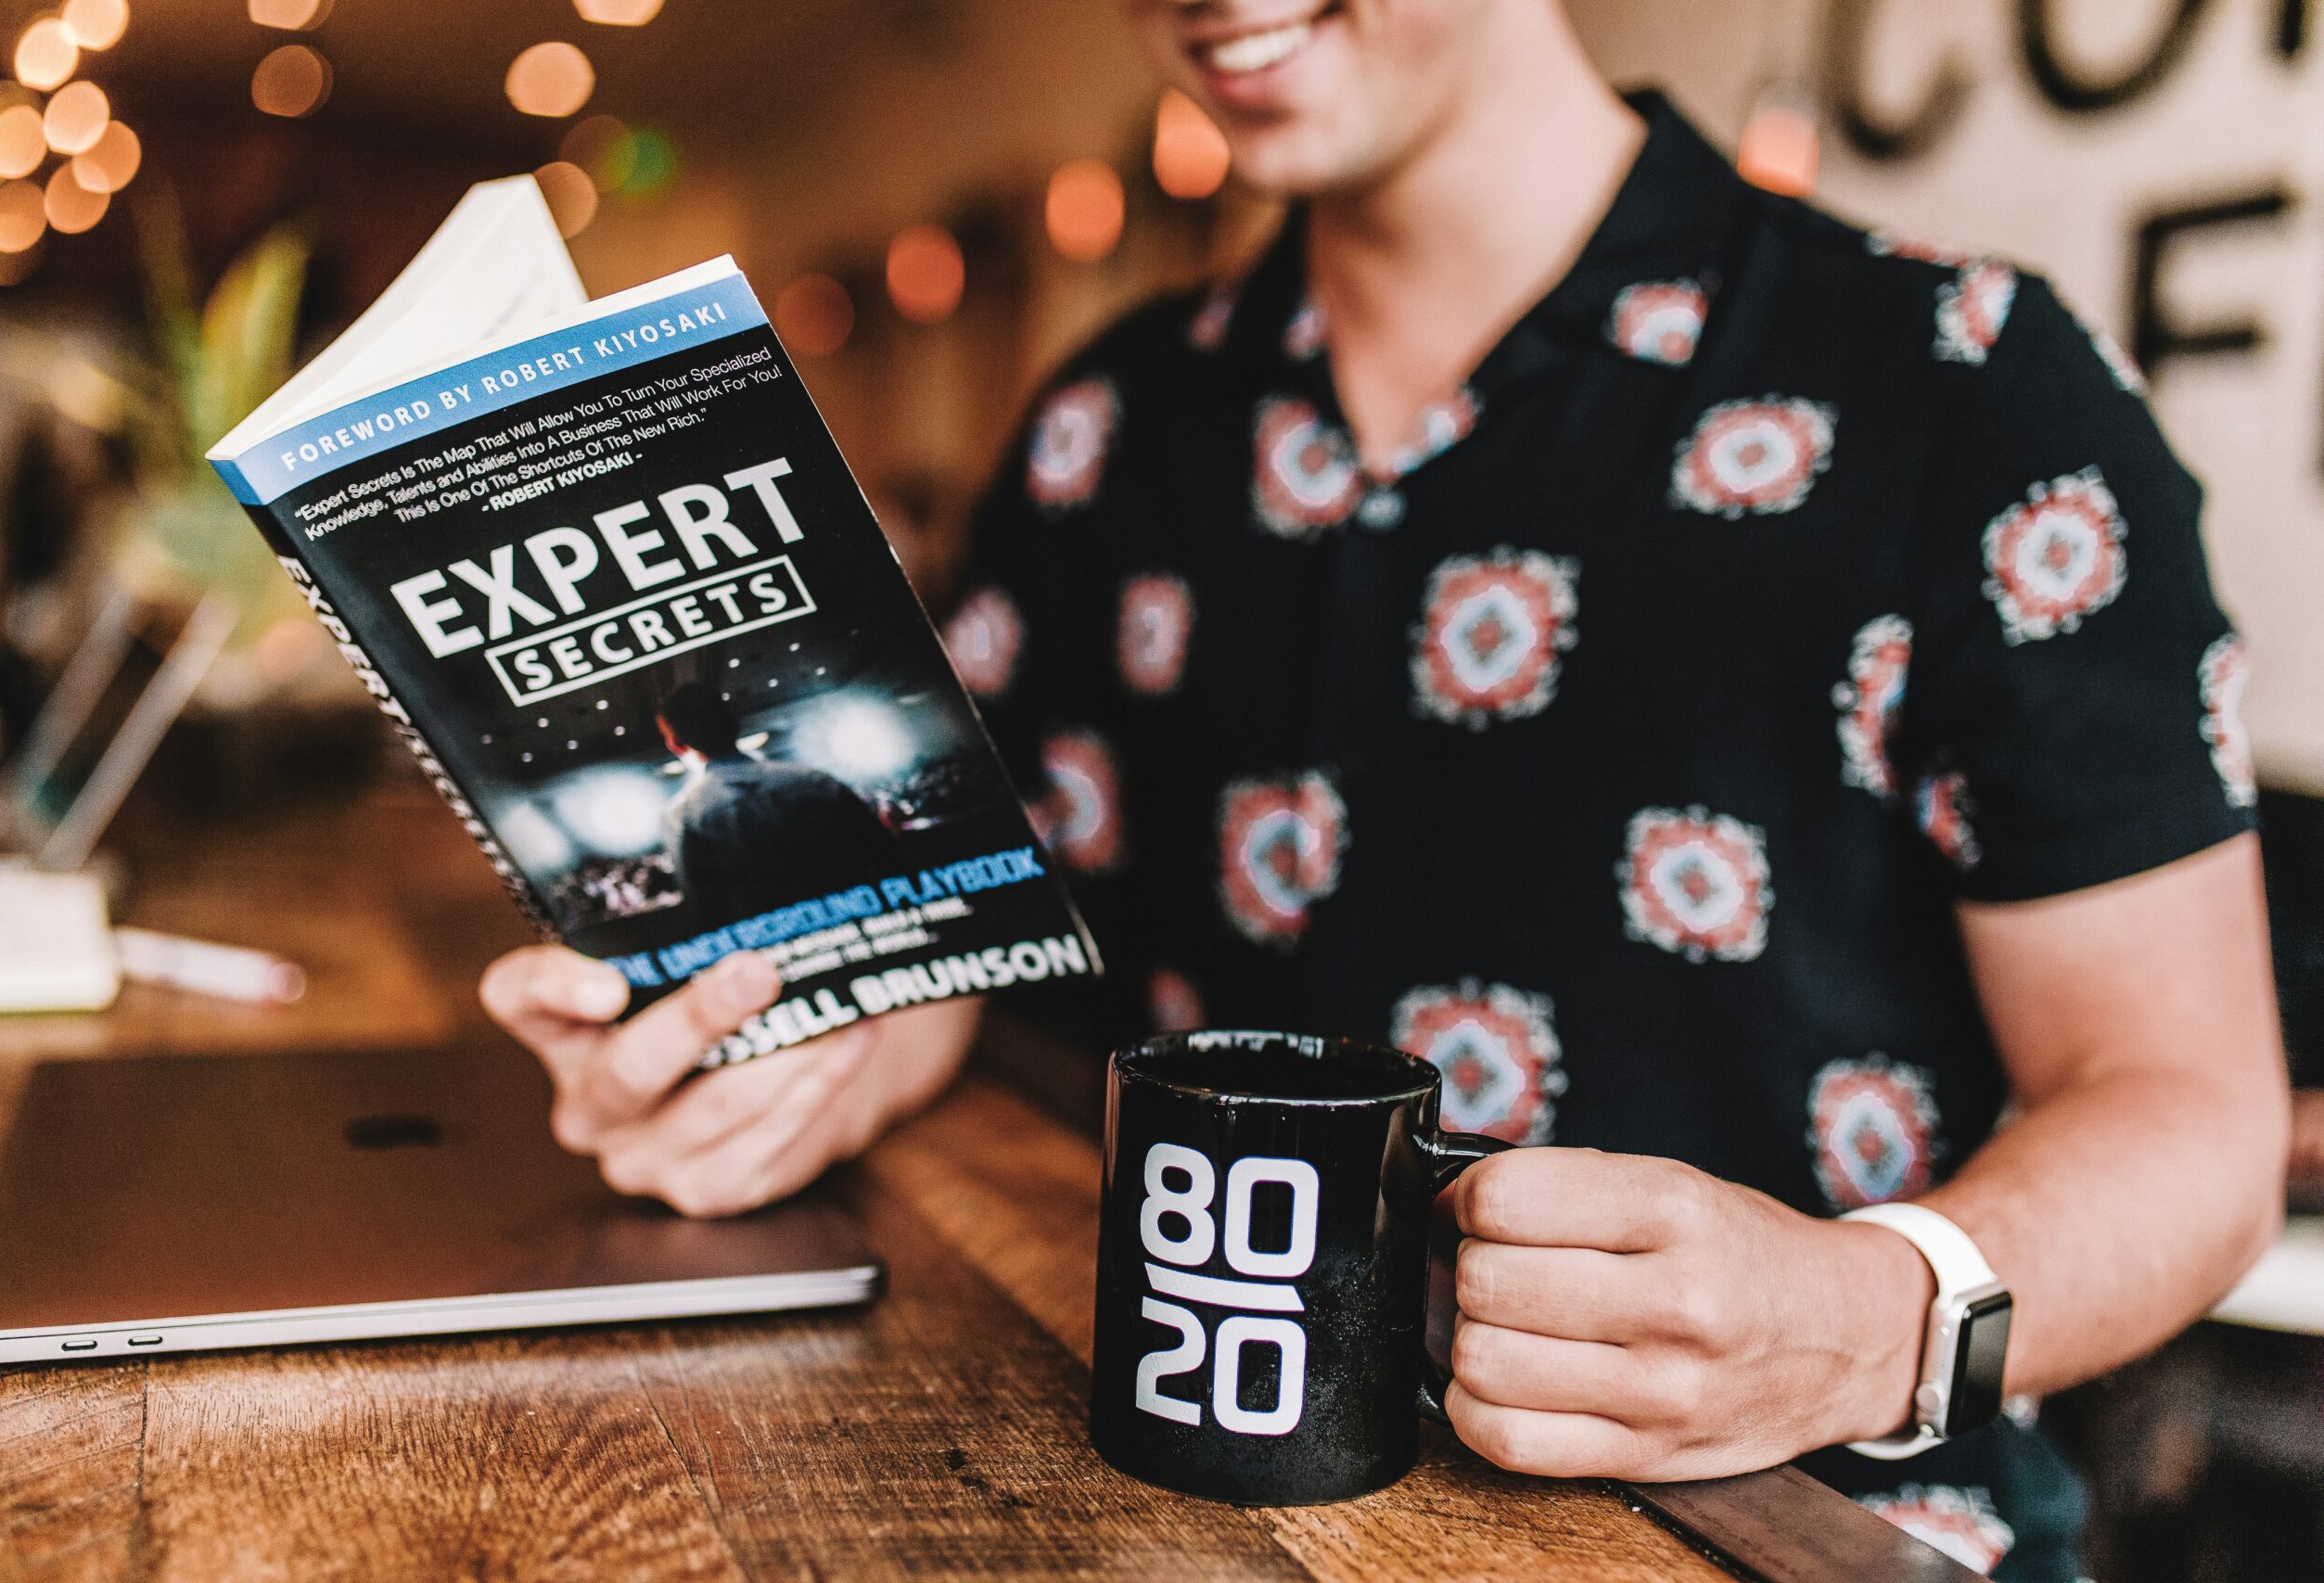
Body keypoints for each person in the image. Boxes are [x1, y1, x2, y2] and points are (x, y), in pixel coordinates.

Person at [479, 4, 2290, 1575]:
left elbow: (2188, 1114)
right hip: (1197, 1515)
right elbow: (985, 937)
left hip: (1805, 1530)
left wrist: (1869, 1313)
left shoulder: (1964, 389)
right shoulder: (1108, 427)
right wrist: (790, 1057)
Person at [652, 681, 902, 923]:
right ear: (733, 723)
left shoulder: (683, 815)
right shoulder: (817, 782)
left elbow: (706, 910)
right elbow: (886, 860)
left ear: (674, 744)